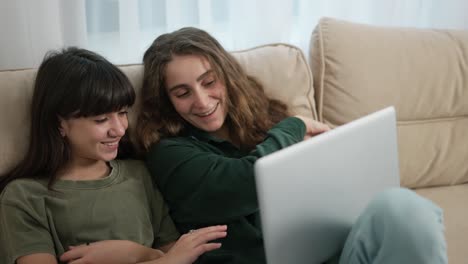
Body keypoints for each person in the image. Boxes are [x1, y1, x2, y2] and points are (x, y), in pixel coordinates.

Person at [136, 27, 447, 264]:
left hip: (329, 253)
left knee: (404, 209)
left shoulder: (263, 120)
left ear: (226, 76)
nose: (202, 102)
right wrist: (295, 126)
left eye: (208, 82)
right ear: (166, 101)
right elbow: (245, 182)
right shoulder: (170, 153)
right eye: (182, 93)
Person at [0, 47, 227, 264]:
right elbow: (172, 259)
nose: (119, 130)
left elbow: (175, 255)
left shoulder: (139, 174)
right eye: (101, 119)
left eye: (122, 113)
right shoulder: (24, 197)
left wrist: (135, 254)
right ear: (59, 123)